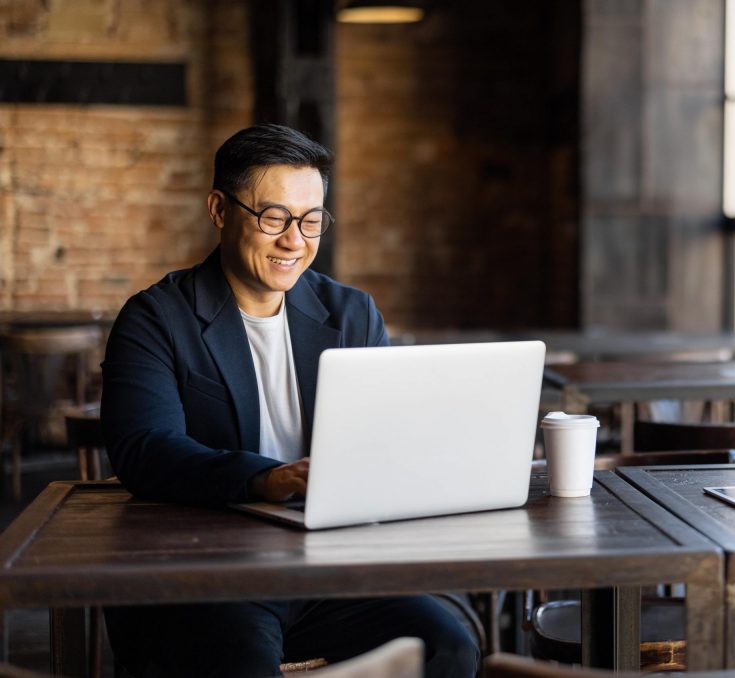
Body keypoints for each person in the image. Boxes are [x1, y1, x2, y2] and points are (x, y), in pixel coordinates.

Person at [100, 123, 480, 678]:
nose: (294, 241)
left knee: (447, 646)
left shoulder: (352, 314)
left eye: (311, 220)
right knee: (241, 661)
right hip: (215, 572)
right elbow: (145, 450)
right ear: (219, 210)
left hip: (330, 567)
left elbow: (386, 442)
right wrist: (264, 479)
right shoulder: (156, 318)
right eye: (273, 217)